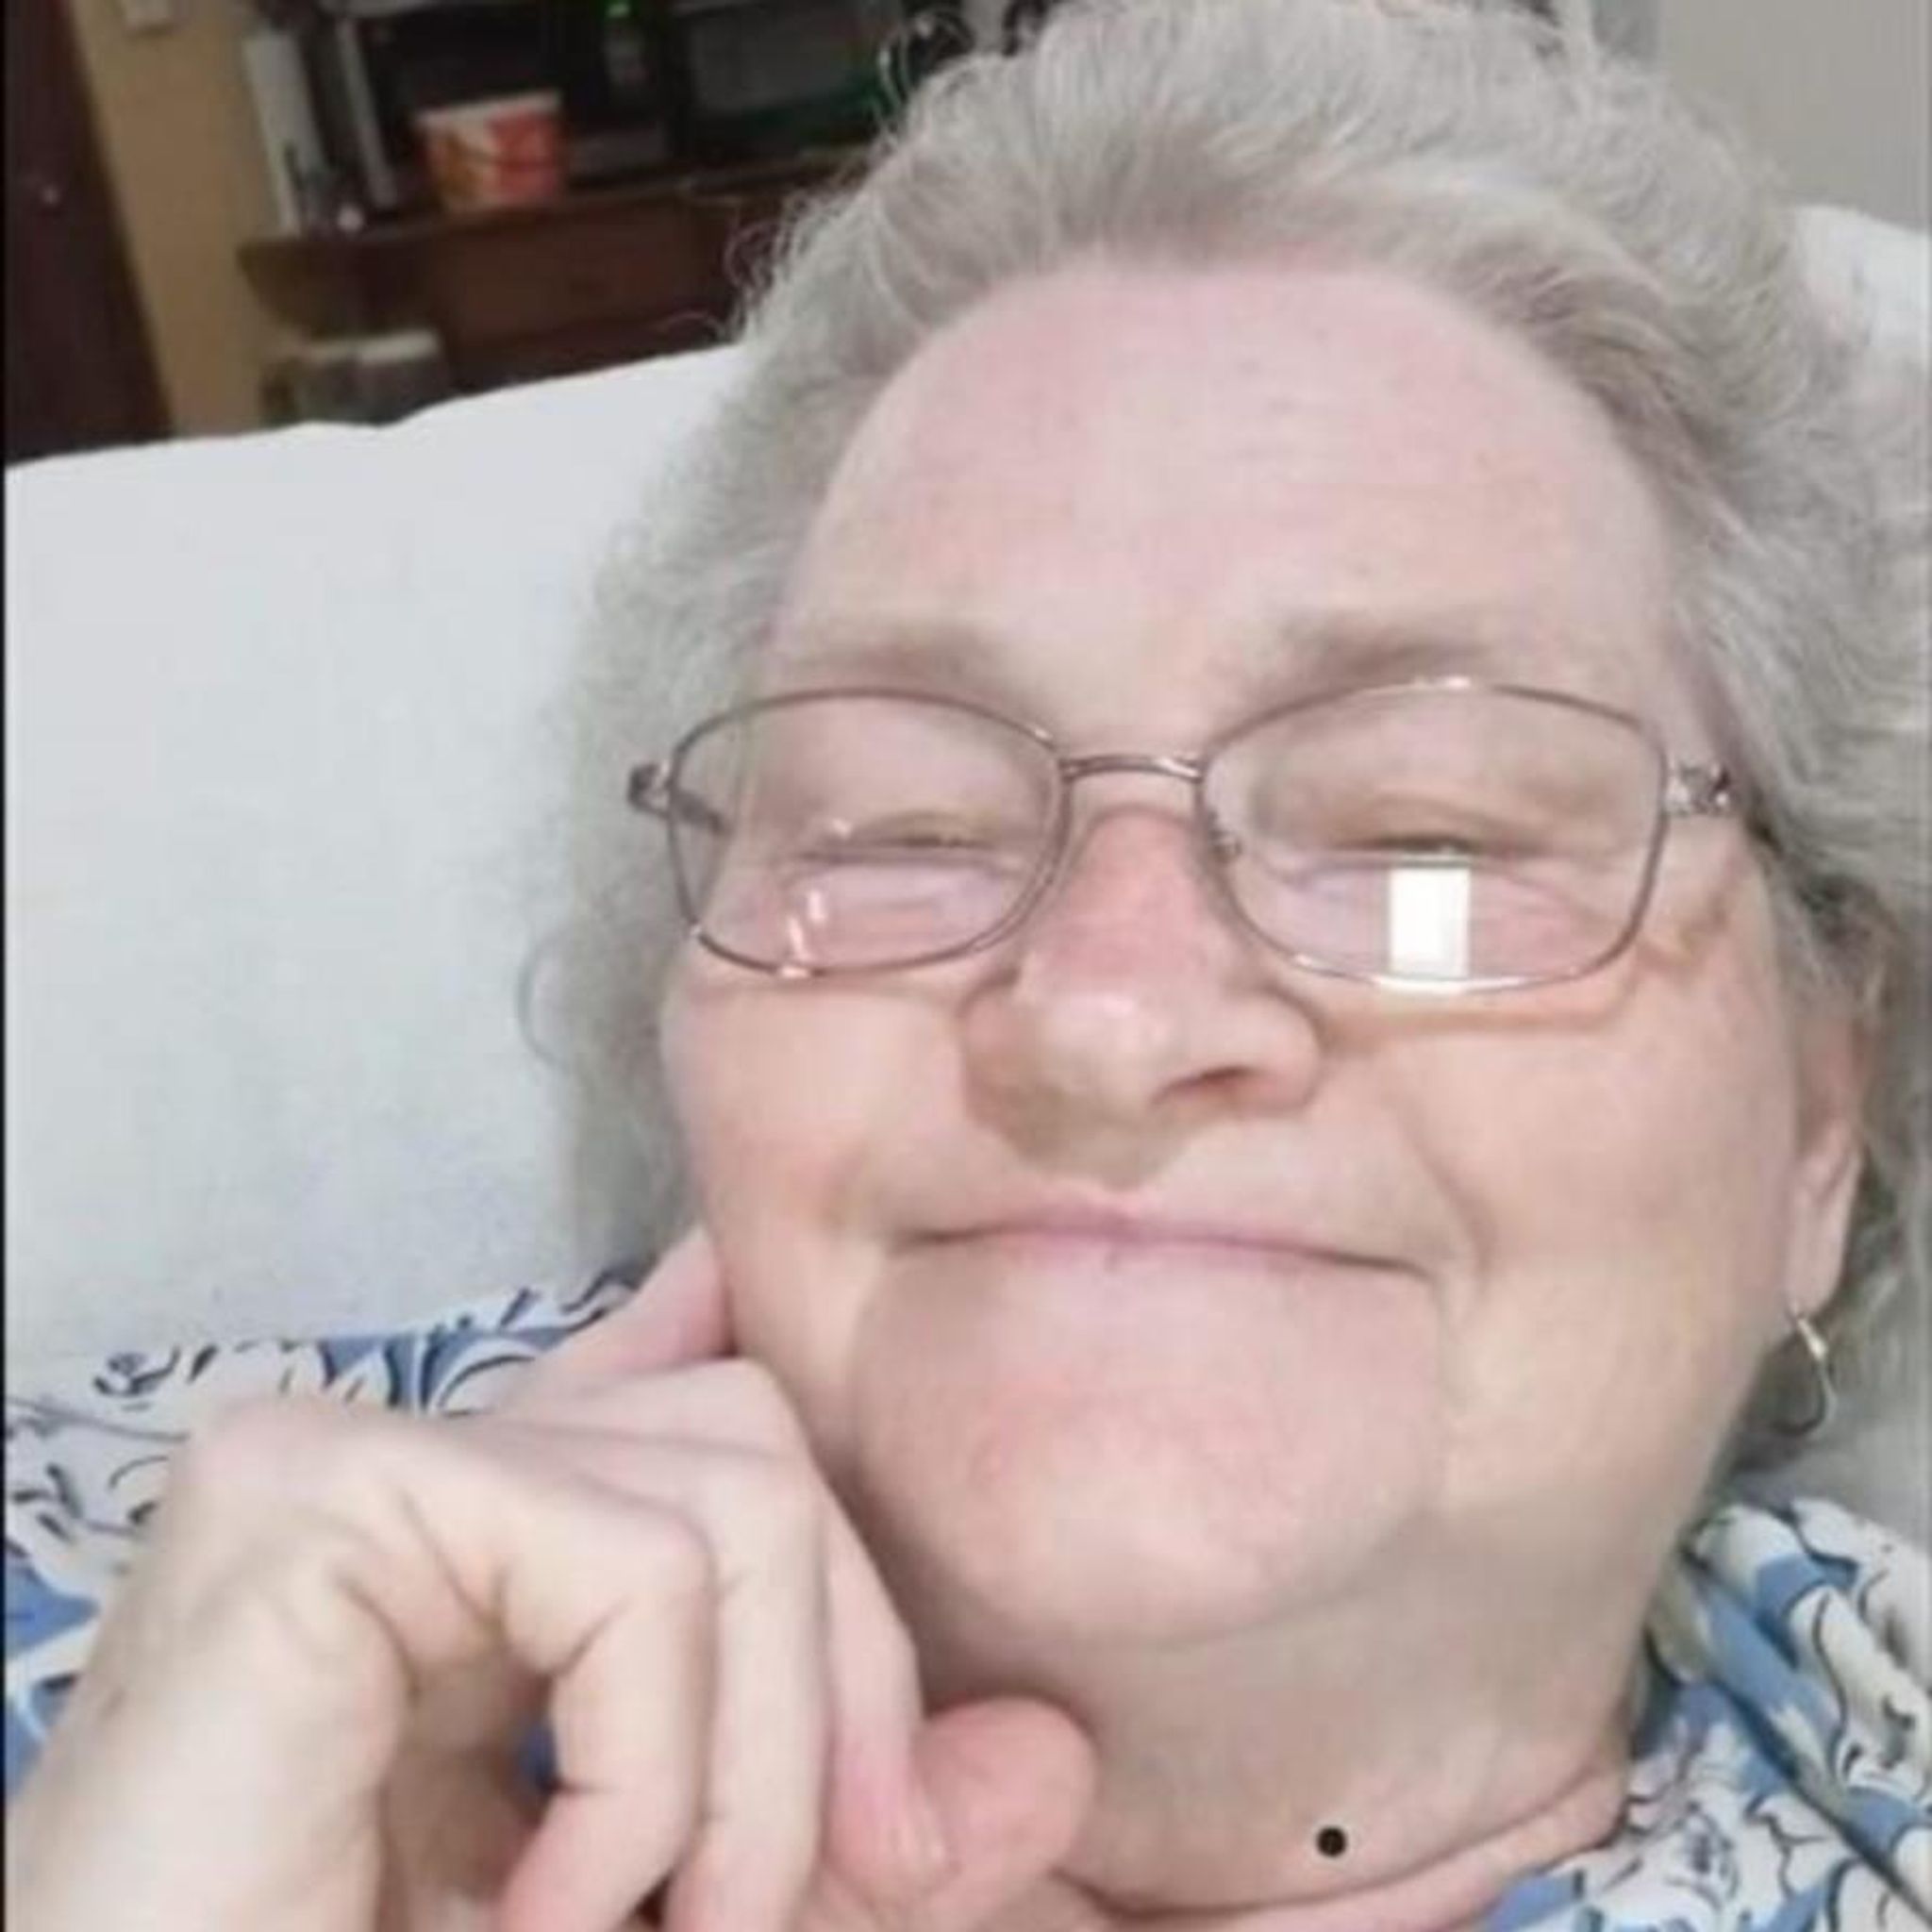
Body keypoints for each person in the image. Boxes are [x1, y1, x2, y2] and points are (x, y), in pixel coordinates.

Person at [7, 1, 1928, 1927]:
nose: (1104, 1014)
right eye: (903, 829)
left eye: (1423, 840)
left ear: (1819, 1121)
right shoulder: (184, 1605)